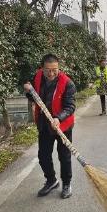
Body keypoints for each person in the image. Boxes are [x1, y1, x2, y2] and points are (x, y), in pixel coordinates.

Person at [24, 53, 76, 198]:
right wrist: (28, 91)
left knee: (64, 156)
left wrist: (58, 118)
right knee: (43, 156)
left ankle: (66, 183)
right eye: (48, 70)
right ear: (42, 68)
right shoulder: (38, 77)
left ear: (59, 68)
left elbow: (70, 106)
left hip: (62, 126)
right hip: (44, 123)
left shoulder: (67, 83)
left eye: (55, 70)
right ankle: (51, 180)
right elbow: (33, 96)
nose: (51, 73)